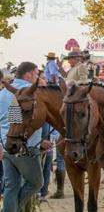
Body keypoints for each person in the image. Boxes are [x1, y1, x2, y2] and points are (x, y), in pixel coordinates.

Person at [0, 62, 53, 212]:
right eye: (36, 74)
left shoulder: (3, 93)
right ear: (28, 74)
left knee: (11, 187)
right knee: (37, 183)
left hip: (6, 146)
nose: (38, 77)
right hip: (25, 146)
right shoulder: (32, 94)